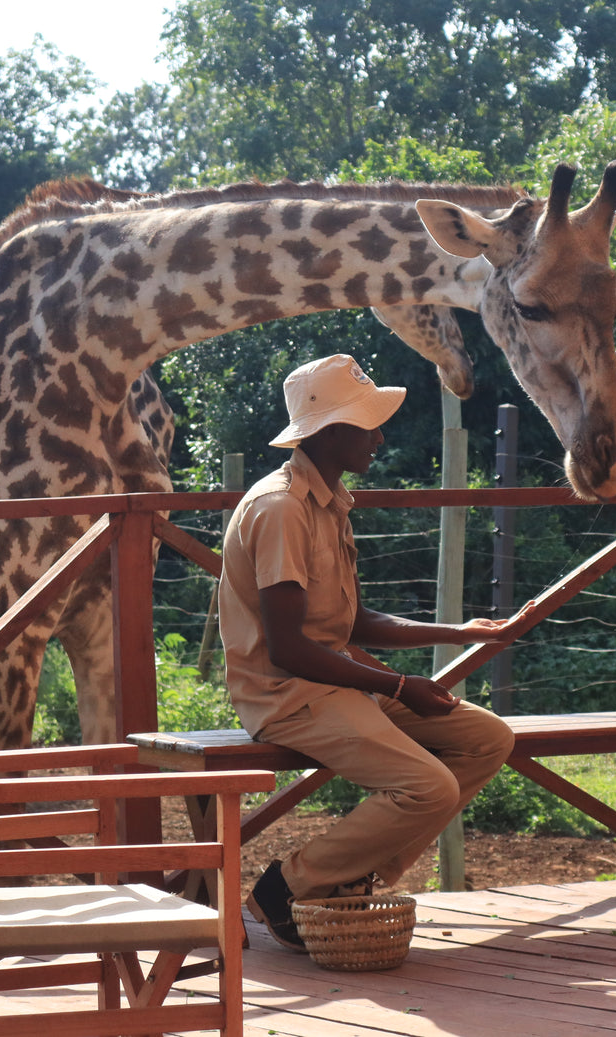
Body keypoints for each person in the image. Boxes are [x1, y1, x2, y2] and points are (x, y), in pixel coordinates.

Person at [217, 353, 529, 951]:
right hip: (287, 696)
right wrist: (396, 686)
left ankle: (353, 880)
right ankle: (288, 888)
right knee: (429, 787)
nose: (380, 437)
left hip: (341, 682)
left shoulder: (330, 501)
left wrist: (458, 632)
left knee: (489, 739)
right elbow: (288, 650)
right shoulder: (280, 508)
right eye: (368, 424)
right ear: (327, 431)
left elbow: (352, 621)